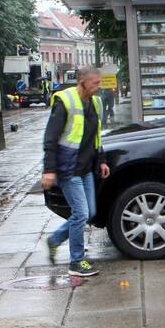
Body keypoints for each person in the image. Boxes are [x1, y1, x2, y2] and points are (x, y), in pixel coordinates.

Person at [42, 66, 109, 276]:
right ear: (82, 83)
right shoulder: (65, 102)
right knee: (81, 213)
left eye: (100, 82)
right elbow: (50, 138)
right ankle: (76, 262)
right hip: (67, 168)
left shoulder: (96, 102)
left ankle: (55, 239)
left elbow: (96, 136)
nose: (99, 87)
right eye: (96, 83)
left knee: (90, 212)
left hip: (86, 167)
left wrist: (102, 160)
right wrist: (49, 170)